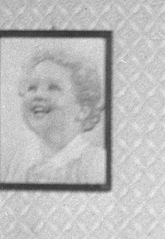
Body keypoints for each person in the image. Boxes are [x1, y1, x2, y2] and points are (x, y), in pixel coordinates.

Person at [11, 47, 107, 186]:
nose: (38, 95)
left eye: (53, 87)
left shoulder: (95, 163)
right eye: (32, 88)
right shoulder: (21, 162)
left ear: (83, 110)